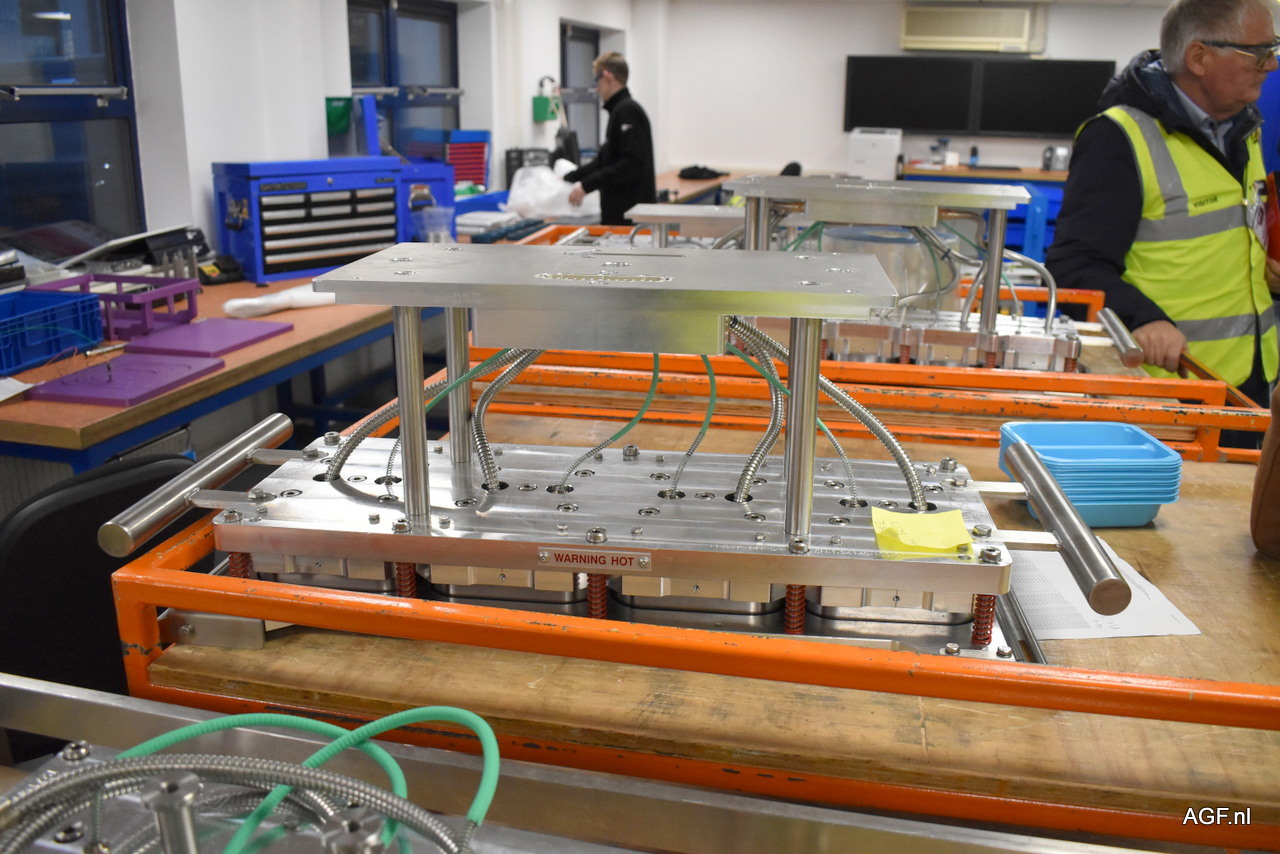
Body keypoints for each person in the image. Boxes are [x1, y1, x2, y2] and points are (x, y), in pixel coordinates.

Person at [1045, 0, 1280, 431]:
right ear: (1199, 58)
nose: (1271, 65)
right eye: (1258, 52)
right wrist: (1143, 318)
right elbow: (1074, 265)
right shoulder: (1118, 138)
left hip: (1249, 382)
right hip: (1167, 394)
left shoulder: (1245, 129)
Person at [564, 52, 656, 226]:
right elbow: (604, 161)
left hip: (629, 219)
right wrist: (569, 178)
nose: (596, 89)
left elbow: (632, 163)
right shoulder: (618, 111)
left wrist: (586, 186)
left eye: (596, 80)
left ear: (607, 77)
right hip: (620, 216)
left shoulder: (627, 111)